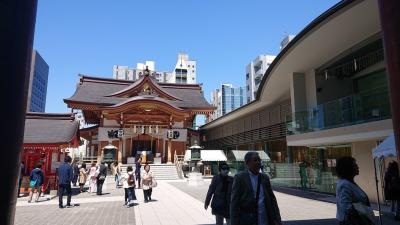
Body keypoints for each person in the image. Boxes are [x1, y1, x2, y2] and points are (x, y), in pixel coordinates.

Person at [230, 151, 282, 225]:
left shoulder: (264, 178)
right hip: (248, 219)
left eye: (259, 160)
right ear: (247, 163)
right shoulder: (240, 178)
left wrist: (278, 219)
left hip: (264, 217)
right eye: (255, 160)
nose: (258, 162)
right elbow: (234, 203)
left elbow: (272, 200)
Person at [336, 156, 374, 225]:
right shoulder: (345, 185)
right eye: (355, 165)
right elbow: (347, 207)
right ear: (348, 168)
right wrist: (365, 210)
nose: (357, 167)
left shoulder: (349, 183)